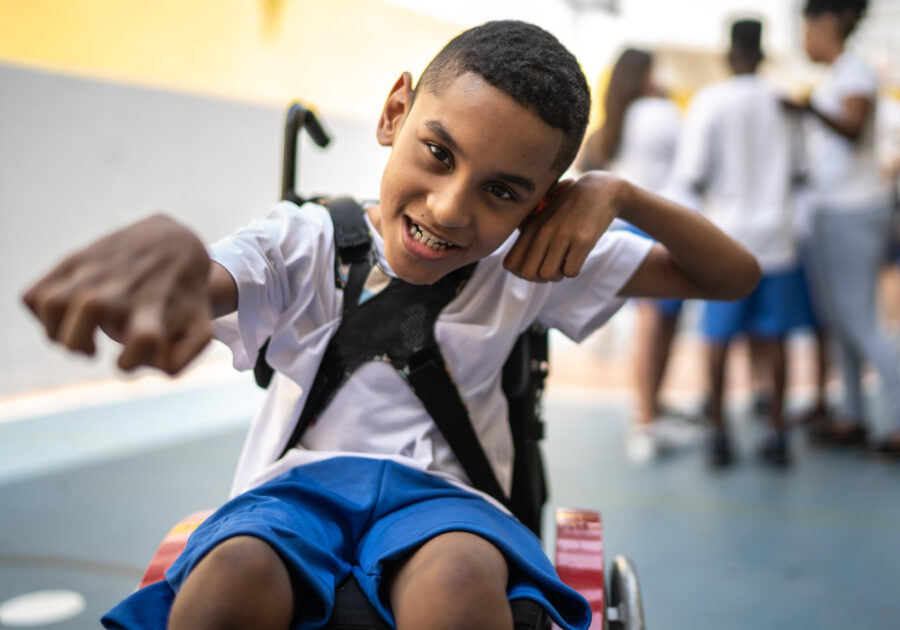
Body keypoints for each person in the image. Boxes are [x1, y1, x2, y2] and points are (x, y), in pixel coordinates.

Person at [22, 21, 759, 630]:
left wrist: (620, 196)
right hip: (291, 493)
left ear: (540, 208)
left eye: (501, 191)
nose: (448, 209)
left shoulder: (530, 264)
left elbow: (732, 277)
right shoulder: (301, 242)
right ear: (393, 112)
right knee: (231, 577)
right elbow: (213, 277)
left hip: (447, 503)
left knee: (460, 580)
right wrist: (178, 262)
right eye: (438, 154)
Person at [668, 19, 806, 468]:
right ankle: (778, 431)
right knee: (775, 339)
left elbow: (692, 174)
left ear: (729, 54)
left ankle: (719, 433)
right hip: (777, 238)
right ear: (763, 54)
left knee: (717, 340)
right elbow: (802, 171)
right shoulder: (783, 101)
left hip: (726, 239)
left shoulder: (710, 102)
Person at [788, 0, 900, 456]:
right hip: (834, 209)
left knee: (860, 320)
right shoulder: (838, 76)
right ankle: (852, 414)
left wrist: (807, 106)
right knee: (839, 321)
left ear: (827, 24)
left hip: (854, 210)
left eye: (807, 29)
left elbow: (852, 127)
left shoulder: (854, 72)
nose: (804, 40)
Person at [576, 48, 689, 464]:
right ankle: (646, 417)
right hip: (658, 225)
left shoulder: (610, 125)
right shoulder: (661, 113)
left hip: (621, 227)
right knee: (657, 322)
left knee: (652, 323)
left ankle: (648, 411)